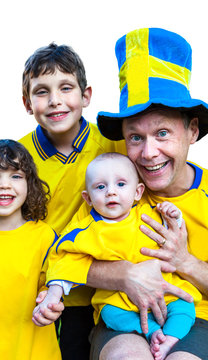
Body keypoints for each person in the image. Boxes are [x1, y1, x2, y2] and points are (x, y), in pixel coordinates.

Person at [83, 28, 208, 359]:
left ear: (192, 130)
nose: (149, 152)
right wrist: (126, 275)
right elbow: (70, 254)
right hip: (122, 315)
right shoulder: (112, 188)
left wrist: (184, 261)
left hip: (198, 318)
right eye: (135, 137)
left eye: (163, 133)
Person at [34, 152, 201, 360]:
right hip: (119, 301)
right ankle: (152, 333)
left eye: (121, 185)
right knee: (111, 315)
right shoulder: (87, 230)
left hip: (165, 293)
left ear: (138, 192)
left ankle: (170, 338)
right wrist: (52, 295)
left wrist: (173, 213)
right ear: (87, 198)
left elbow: (173, 227)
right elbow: (63, 261)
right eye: (100, 187)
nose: (111, 193)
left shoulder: (148, 214)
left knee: (185, 307)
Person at [19, 43, 126, 359]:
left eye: (66, 88)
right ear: (27, 103)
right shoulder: (16, 158)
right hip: (41, 293)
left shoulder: (112, 145)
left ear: (86, 95)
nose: (55, 101)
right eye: (41, 92)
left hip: (104, 292)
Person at [0, 139, 63, 359]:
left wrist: (50, 301)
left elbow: (53, 284)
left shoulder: (44, 236)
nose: (4, 184)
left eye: (16, 176)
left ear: (29, 184)